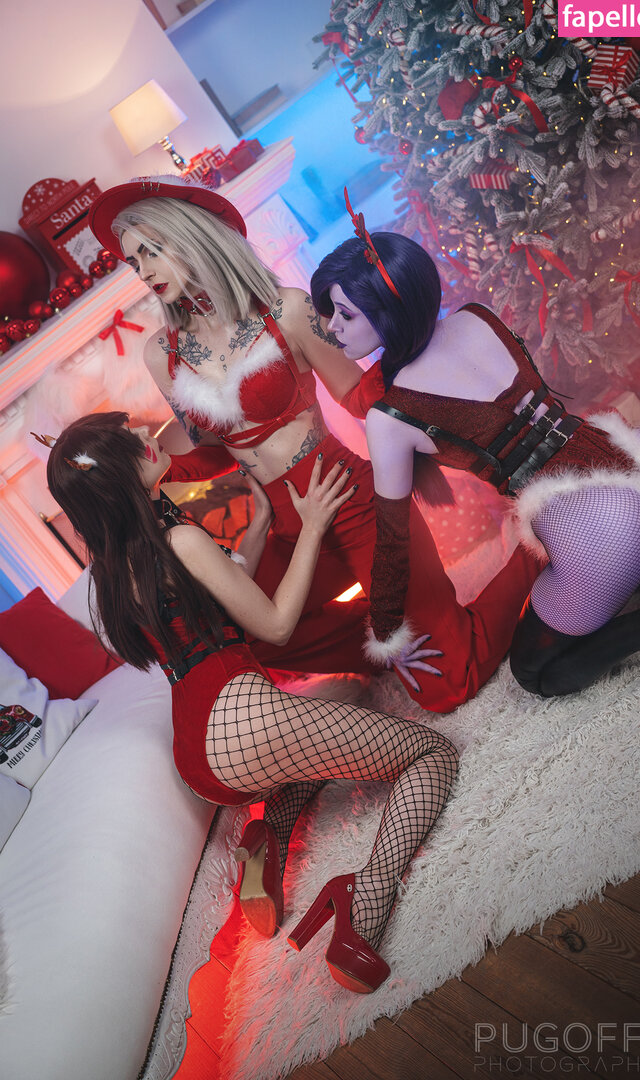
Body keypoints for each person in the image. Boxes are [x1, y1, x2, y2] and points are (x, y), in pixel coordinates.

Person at [40, 412, 459, 994]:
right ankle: (364, 897)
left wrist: (259, 526)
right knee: (433, 755)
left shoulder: (117, 570)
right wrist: (312, 525)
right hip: (241, 723)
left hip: (201, 756)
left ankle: (270, 835)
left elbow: (219, 596)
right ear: (117, 477)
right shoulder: (178, 539)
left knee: (335, 713)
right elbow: (276, 625)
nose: (144, 436)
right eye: (128, 441)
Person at [87, 176, 541, 713]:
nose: (143, 272)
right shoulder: (161, 353)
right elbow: (211, 450)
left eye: (151, 251)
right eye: (132, 262)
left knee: (448, 686)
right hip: (284, 520)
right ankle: (380, 648)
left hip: (347, 496)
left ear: (191, 236)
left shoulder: (286, 310)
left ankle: (540, 545)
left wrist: (434, 373)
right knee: (237, 625)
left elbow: (360, 396)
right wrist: (132, 472)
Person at [310, 214, 640, 698]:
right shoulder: (476, 314)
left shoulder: (389, 418)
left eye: (346, 314)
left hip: (601, 524)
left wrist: (386, 633)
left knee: (536, 672)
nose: (332, 328)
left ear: (391, 312)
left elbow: (393, 541)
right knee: (629, 564)